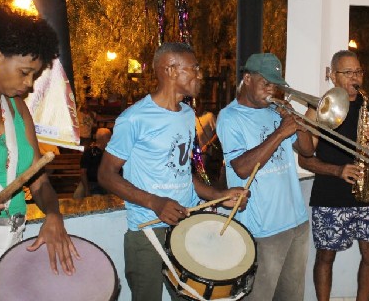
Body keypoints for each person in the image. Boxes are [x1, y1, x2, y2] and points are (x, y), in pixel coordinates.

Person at [97, 42, 248, 301]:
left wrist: (218, 195)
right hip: (147, 230)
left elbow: (182, 172)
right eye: (194, 68)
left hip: (185, 225)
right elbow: (106, 174)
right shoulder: (134, 118)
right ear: (170, 70)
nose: (200, 74)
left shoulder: (188, 114)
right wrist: (154, 202)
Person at [0, 6, 78, 300]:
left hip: (11, 245)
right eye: (24, 72)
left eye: (34, 75)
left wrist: (53, 214)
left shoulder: (17, 108)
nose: (28, 84)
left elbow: (39, 182)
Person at [297, 50, 369, 301]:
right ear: (333, 76)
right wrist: (338, 170)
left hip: (366, 193)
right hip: (330, 195)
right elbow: (304, 158)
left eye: (358, 71)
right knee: (326, 257)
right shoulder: (319, 108)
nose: (355, 77)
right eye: (348, 72)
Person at [216, 52, 315, 301]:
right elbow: (241, 168)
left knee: (292, 297)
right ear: (247, 79)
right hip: (263, 228)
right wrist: (280, 133)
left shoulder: (275, 111)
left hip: (297, 220)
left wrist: (298, 123)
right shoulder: (230, 117)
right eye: (266, 83)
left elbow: (307, 151)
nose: (271, 90)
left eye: (275, 85)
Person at [77, 127, 112, 197]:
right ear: (102, 138)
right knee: (77, 196)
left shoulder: (110, 153)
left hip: (105, 183)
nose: (111, 139)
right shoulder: (89, 152)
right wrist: (87, 190)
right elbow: (83, 172)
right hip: (89, 182)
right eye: (109, 137)